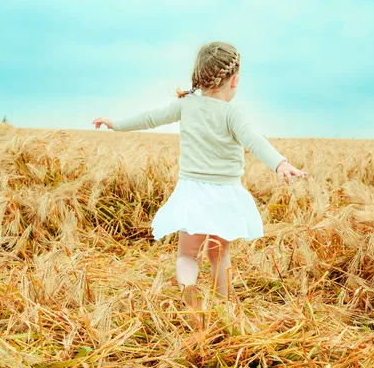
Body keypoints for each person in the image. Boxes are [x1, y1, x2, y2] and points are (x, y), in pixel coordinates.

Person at [92, 41, 307, 331]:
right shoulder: (233, 114)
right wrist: (280, 164)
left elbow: (150, 118)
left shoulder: (186, 105)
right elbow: (254, 140)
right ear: (234, 80)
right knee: (220, 256)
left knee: (186, 255)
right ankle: (225, 307)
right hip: (225, 195)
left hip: (193, 192)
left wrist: (115, 123)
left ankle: (188, 290)